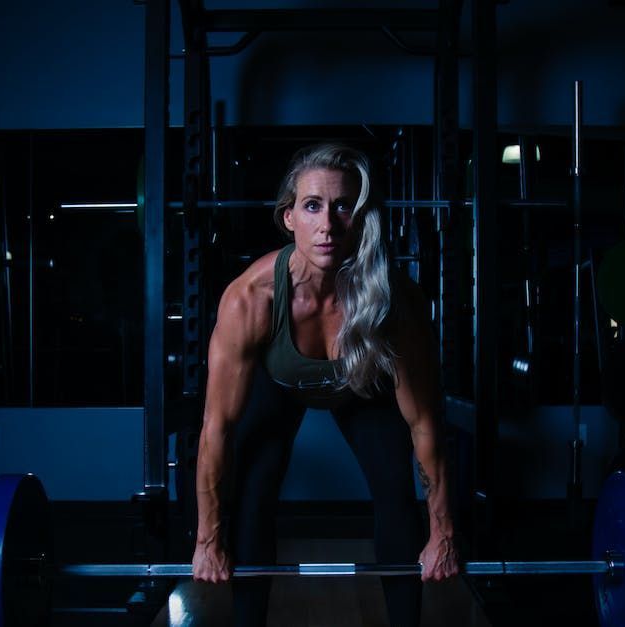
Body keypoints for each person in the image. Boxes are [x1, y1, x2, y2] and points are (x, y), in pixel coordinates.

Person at [190, 143, 459, 626]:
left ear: (361, 217)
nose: (328, 225)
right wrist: (208, 540)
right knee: (252, 497)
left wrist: (443, 535)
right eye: (312, 206)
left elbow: (425, 425)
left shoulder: (393, 302)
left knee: (395, 493)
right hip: (279, 384)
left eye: (343, 207)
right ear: (288, 217)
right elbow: (216, 431)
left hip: (361, 382)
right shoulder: (250, 299)